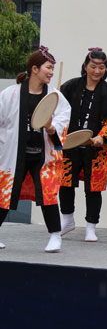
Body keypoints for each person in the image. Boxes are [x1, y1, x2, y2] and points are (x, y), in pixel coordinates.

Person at [0, 46, 71, 252]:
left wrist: (52, 128)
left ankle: (55, 236)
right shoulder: (10, 95)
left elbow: (63, 120)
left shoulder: (56, 97)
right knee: (5, 194)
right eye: (48, 67)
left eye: (52, 68)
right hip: (14, 155)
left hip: (44, 156)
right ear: (34, 69)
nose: (51, 72)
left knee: (48, 194)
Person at [58, 48, 107, 242]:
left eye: (101, 67)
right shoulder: (69, 87)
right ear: (85, 66)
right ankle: (67, 219)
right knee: (65, 182)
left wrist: (102, 136)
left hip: (97, 148)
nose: (97, 71)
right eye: (93, 66)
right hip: (71, 144)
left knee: (93, 188)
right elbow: (59, 113)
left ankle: (91, 227)